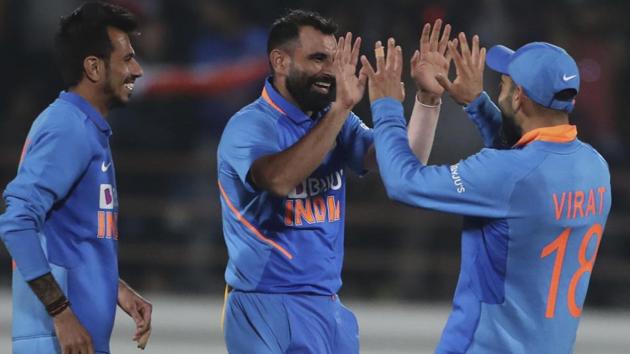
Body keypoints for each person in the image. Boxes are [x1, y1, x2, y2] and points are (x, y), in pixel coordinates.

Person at [217, 10, 454, 354]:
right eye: (317, 59)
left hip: (327, 306)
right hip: (265, 302)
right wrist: (341, 108)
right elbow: (279, 179)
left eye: (334, 59)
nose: (330, 70)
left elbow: (404, 167)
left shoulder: (336, 121)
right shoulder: (250, 126)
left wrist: (428, 100)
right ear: (280, 62)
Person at [363, 33, 612, 353]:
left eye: (504, 85)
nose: (499, 88)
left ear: (519, 97)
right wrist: (478, 105)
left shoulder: (507, 174)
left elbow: (403, 183)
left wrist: (386, 105)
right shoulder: (595, 168)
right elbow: (526, 169)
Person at [0, 2, 152, 353]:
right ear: (94, 67)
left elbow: (72, 239)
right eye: (127, 59)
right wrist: (61, 313)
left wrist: (116, 289)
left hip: (75, 340)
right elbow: (15, 220)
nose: (138, 70)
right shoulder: (67, 127)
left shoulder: (85, 129)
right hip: (58, 341)